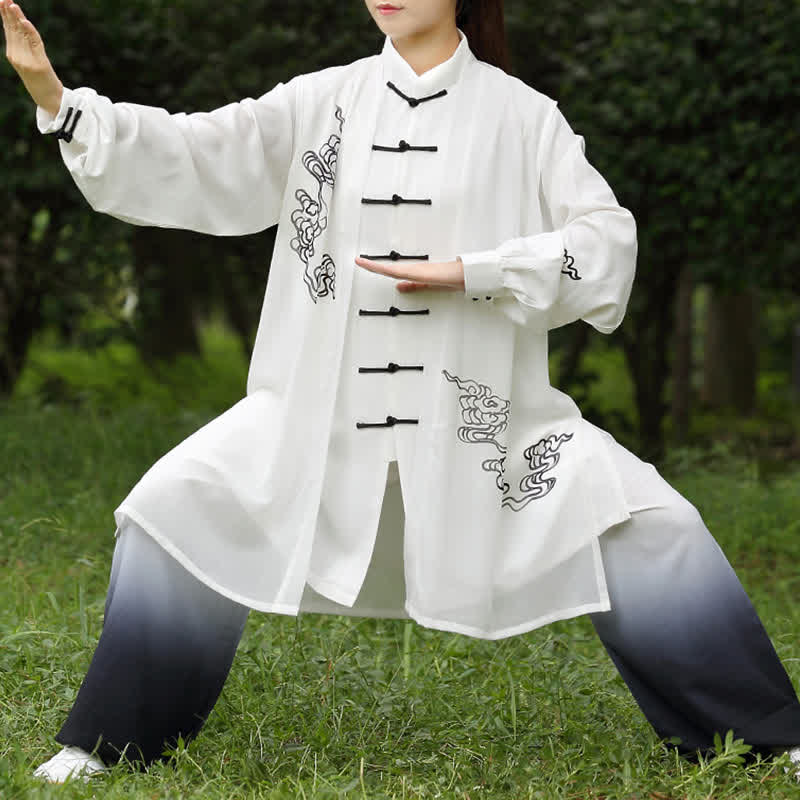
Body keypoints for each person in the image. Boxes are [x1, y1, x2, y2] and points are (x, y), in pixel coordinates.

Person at [4, 0, 800, 784]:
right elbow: (199, 150)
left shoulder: (524, 117)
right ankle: (110, 741)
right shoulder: (319, 102)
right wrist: (57, 100)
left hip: (487, 432)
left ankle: (765, 736)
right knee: (170, 512)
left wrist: (478, 272)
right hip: (309, 423)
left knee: (655, 524)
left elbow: (604, 247)